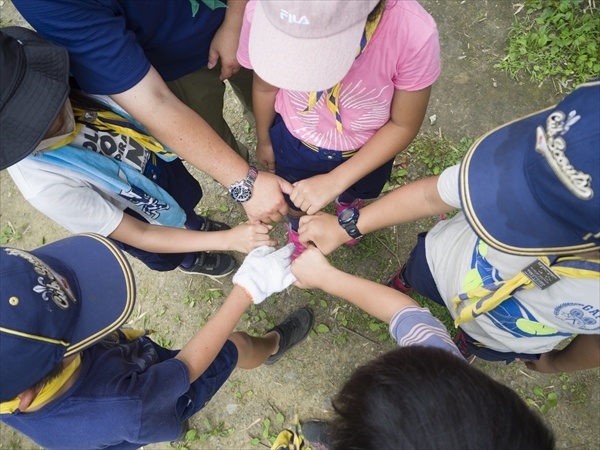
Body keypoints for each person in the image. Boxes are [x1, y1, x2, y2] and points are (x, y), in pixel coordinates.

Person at [298, 79, 600, 372]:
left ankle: (466, 343)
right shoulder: (552, 155)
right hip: (440, 262)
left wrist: (557, 363)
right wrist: (345, 228)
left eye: (530, 214)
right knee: (417, 273)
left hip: (502, 336)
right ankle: (407, 282)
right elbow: (432, 196)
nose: (504, 198)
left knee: (480, 342)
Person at [0, 27, 277, 276]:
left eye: (48, 98)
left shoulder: (70, 75)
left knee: (182, 199)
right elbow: (142, 233)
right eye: (40, 124)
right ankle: (191, 260)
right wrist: (229, 240)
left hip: (149, 164)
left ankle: (195, 224)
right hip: (133, 214)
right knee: (168, 250)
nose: (54, 115)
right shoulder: (45, 187)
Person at [0, 235, 313, 449]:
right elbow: (186, 366)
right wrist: (247, 289)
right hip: (146, 401)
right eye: (79, 333)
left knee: (146, 410)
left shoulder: (10, 386)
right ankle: (271, 346)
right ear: (26, 394)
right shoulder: (122, 406)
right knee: (237, 344)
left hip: (131, 392)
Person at [12, 0, 292, 225]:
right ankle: (272, 177)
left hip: (250, 19)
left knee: (280, 108)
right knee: (219, 138)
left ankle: (289, 165)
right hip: (167, 68)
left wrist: (235, 14)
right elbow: (152, 100)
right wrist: (243, 180)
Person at [290, 246, 555, 450]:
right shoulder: (447, 387)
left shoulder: (449, 390)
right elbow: (403, 313)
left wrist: (326, 276)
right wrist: (326, 276)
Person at [236, 0, 439, 257]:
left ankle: (348, 207)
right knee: (295, 199)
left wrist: (335, 181)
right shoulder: (263, 11)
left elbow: (403, 124)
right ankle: (299, 228)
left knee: (358, 188)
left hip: (367, 150)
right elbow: (265, 87)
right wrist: (265, 138)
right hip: (296, 141)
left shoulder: (413, 33)